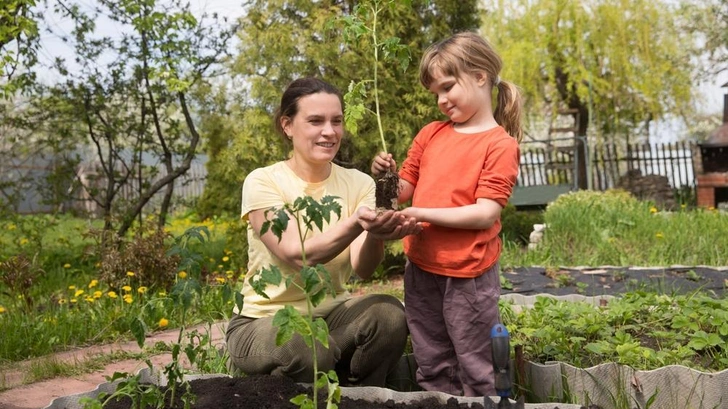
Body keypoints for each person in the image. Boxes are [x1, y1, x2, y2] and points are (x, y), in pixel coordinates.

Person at [226, 77, 421, 387]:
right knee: (302, 345)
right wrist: (359, 220)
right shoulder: (263, 181)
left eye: (337, 121)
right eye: (315, 121)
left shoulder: (358, 183)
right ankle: (289, 386)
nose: (329, 131)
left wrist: (375, 231)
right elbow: (297, 254)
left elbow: (364, 268)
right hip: (262, 321)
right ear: (287, 125)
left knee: (389, 314)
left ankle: (362, 396)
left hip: (331, 318)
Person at [371, 32, 523, 397]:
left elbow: (486, 214)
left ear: (480, 76)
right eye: (435, 93)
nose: (441, 100)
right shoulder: (430, 134)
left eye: (447, 87)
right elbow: (401, 193)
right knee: (431, 358)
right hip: (421, 268)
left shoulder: (499, 144)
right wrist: (384, 178)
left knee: (475, 361)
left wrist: (422, 213)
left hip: (468, 276)